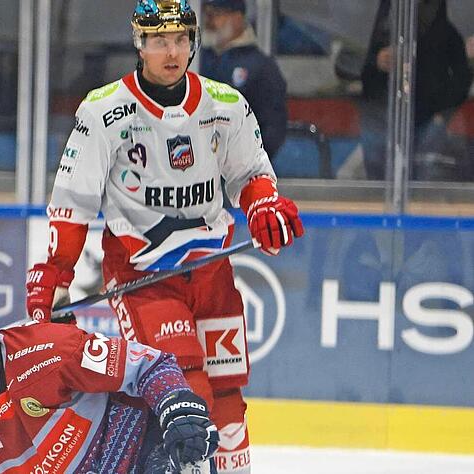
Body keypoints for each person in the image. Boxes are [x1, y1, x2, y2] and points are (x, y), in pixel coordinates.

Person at [25, 2, 304, 473]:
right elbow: (73, 202)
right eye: (158, 41)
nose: (171, 52)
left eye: (179, 40)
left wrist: (264, 204)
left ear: (193, 42)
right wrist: (55, 275)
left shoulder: (226, 105)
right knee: (185, 386)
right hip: (142, 272)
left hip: (211, 270)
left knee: (229, 394)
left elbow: (252, 173)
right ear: (139, 44)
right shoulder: (103, 111)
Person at [0, 278, 220, 473]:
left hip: (142, 452)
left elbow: (150, 365)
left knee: (188, 452)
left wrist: (177, 407)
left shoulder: (49, 348)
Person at [360, 0, 472, 180]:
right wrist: (376, 61)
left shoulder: (446, 32)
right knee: (379, 177)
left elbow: (462, 78)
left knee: (427, 179)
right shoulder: (374, 25)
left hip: (428, 119)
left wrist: (442, 113)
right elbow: (347, 63)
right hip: (380, 114)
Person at [199, 0, 288, 159]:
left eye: (217, 14)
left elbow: (273, 127)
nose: (210, 21)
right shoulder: (196, 60)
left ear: (238, 17)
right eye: (207, 14)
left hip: (239, 170)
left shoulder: (261, 66)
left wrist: (247, 164)